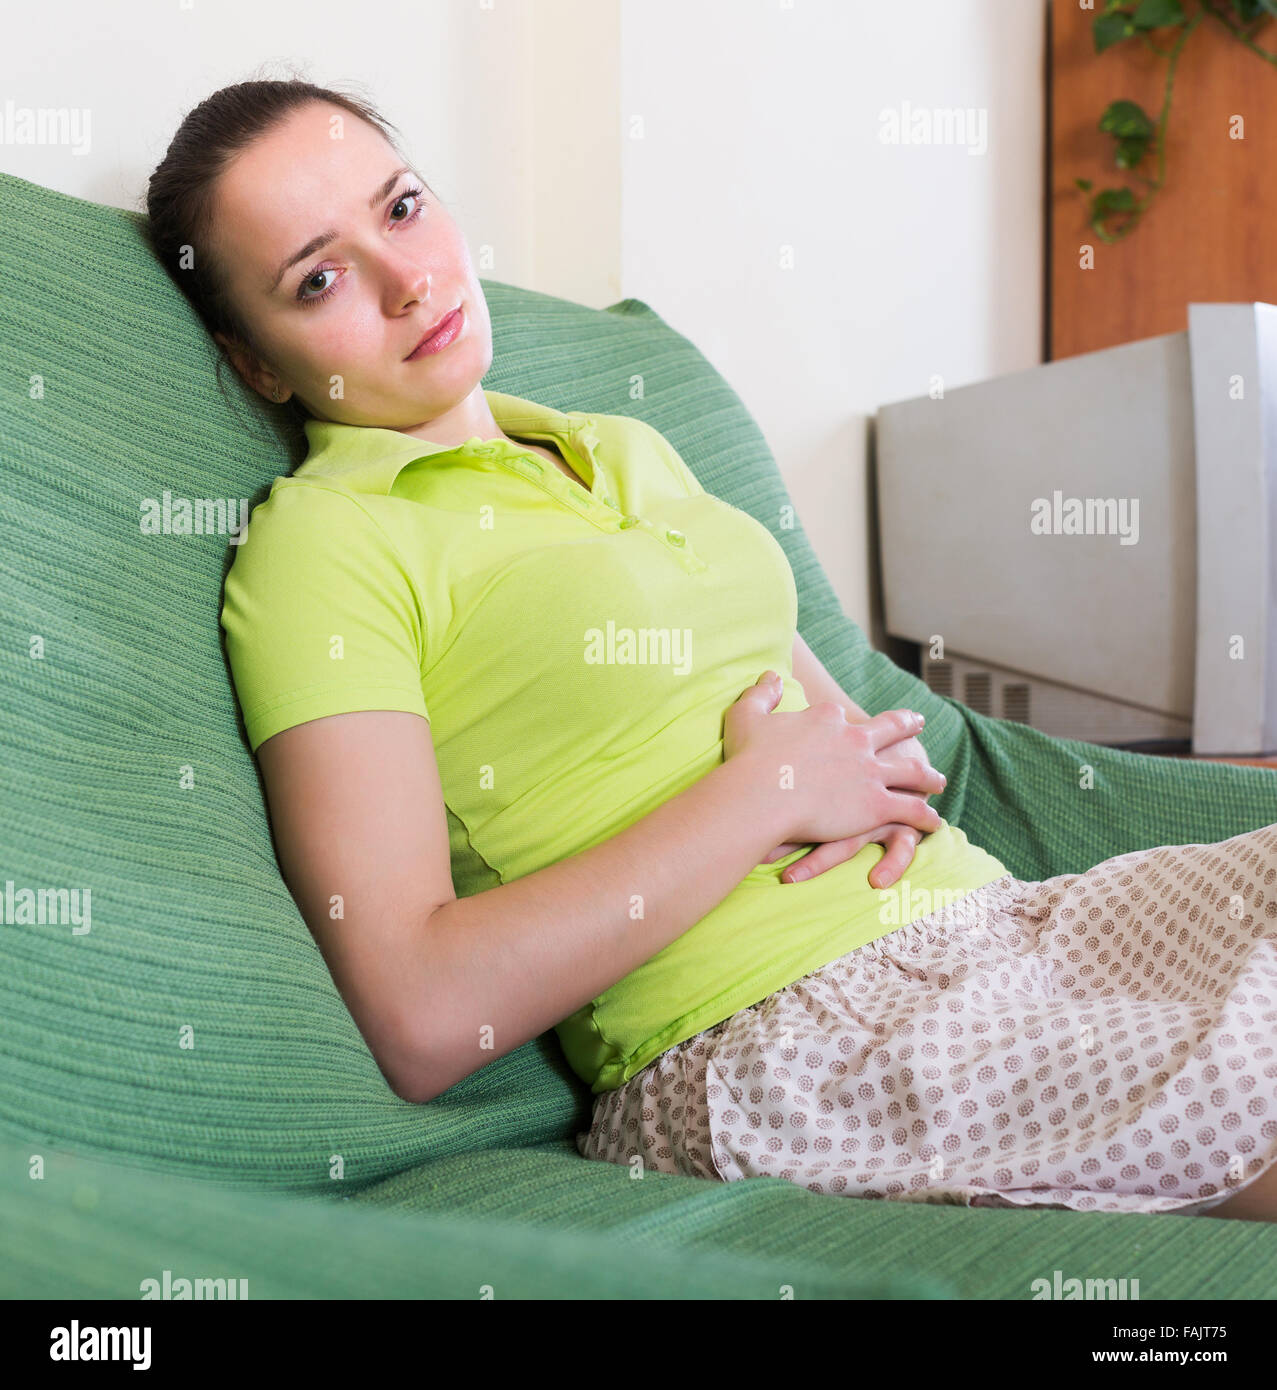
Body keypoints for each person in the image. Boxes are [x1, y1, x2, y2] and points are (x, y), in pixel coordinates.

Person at [145, 76, 1277, 1222]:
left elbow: (844, 738)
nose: (407, 280)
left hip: (996, 926)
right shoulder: (324, 547)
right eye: (320, 279)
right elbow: (423, 1013)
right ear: (260, 365)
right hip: (773, 1033)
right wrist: (766, 794)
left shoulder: (620, 442)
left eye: (400, 207)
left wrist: (863, 781)